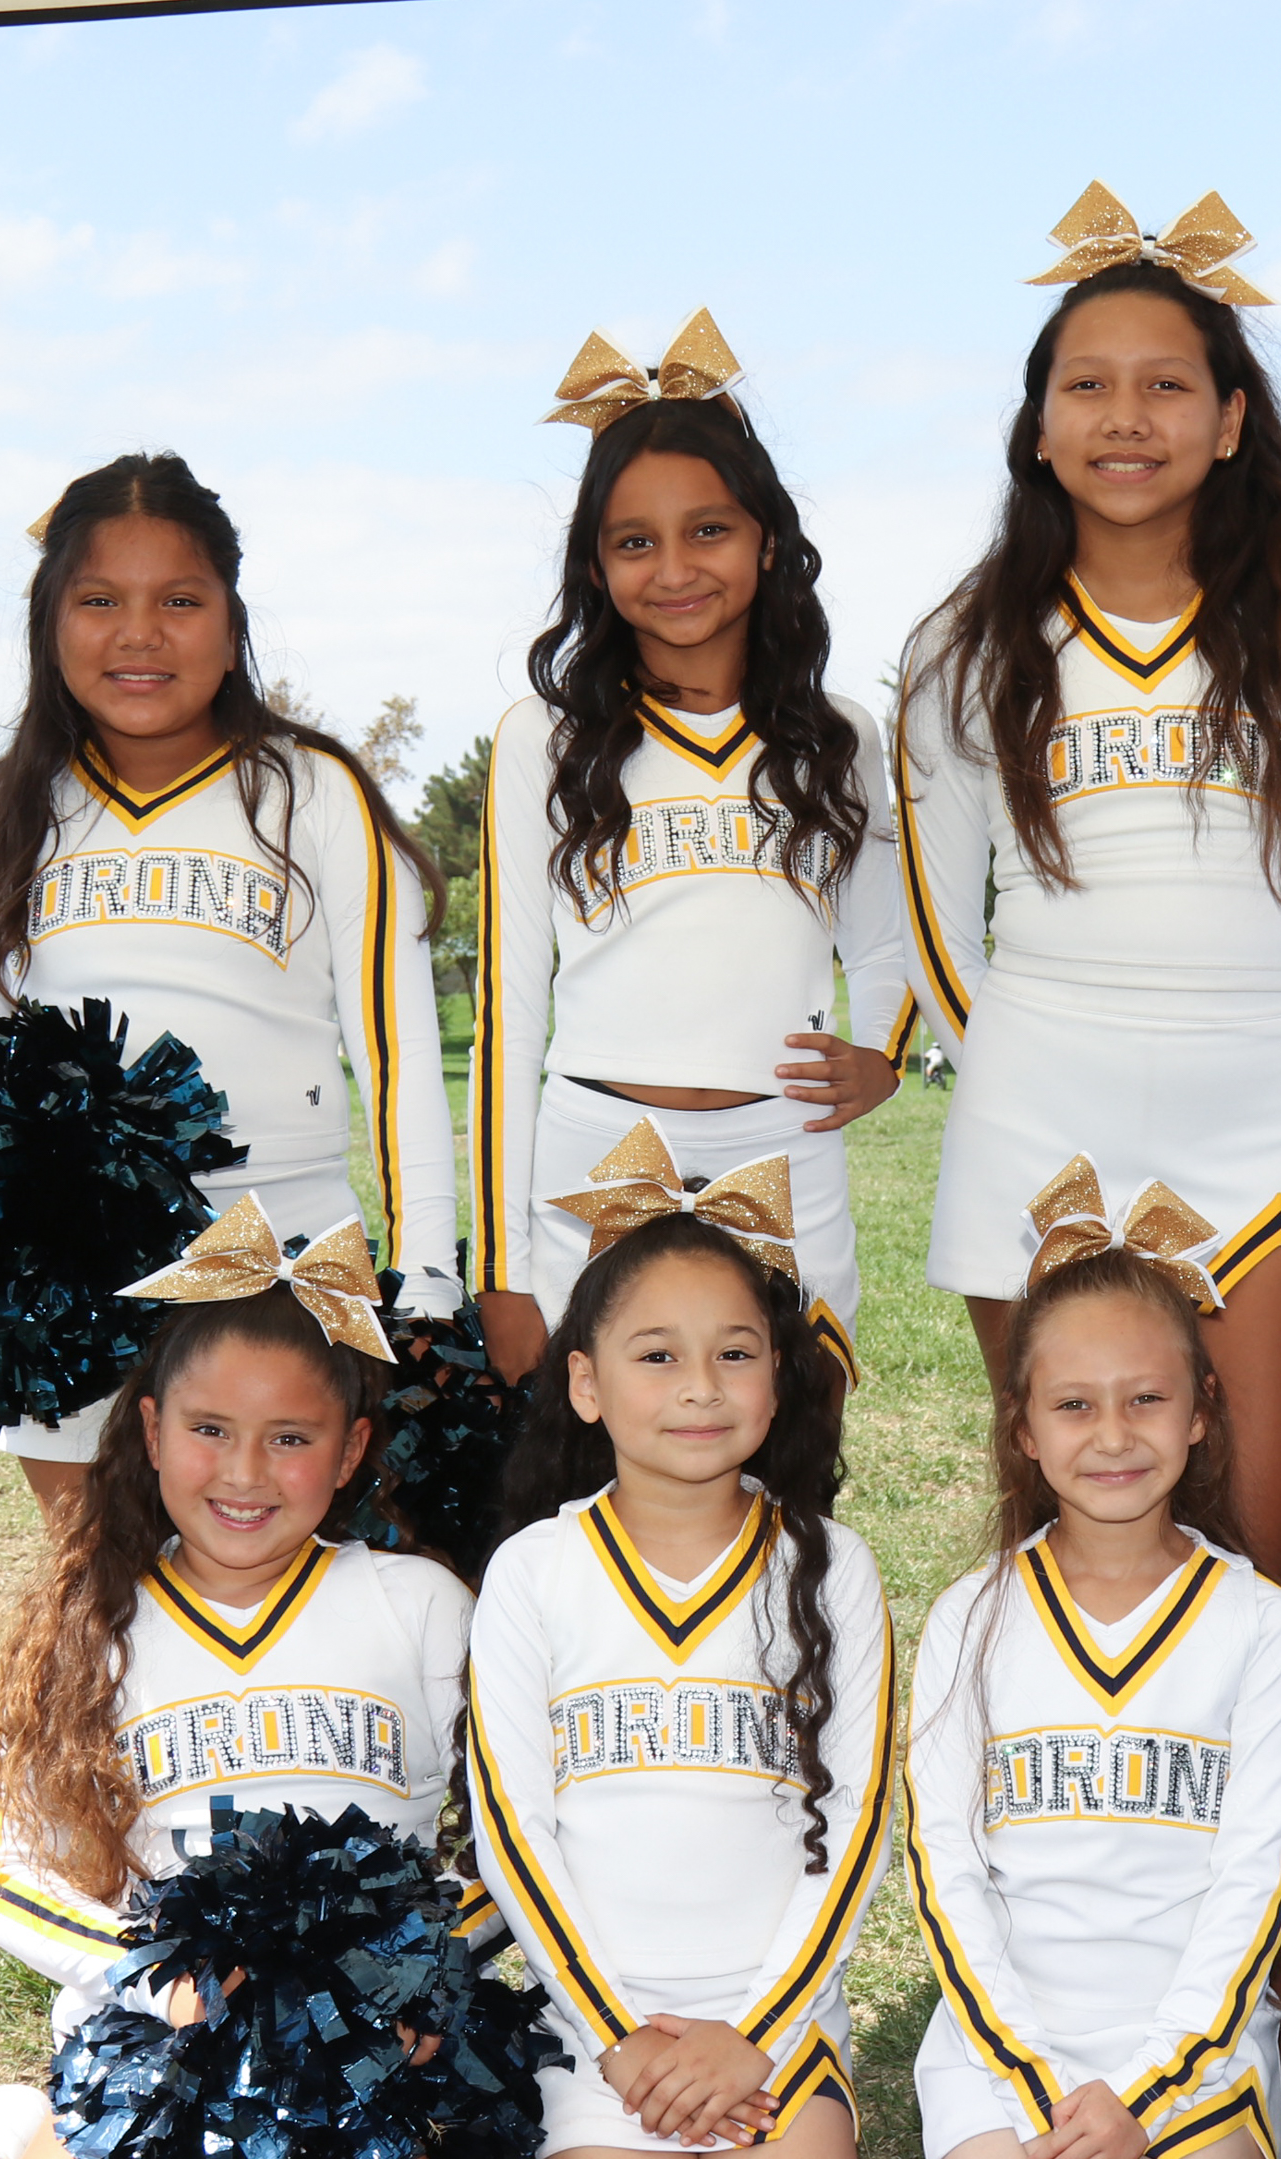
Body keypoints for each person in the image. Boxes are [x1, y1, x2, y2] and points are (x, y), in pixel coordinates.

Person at [895, 186, 1281, 1589]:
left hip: (1261, 1122)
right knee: (1079, 1547)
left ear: (1231, 418)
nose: (1126, 418)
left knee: (1249, 1565)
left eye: (1167, 385)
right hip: (1036, 1119)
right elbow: (935, 925)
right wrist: (1006, 1062)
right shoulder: (960, 643)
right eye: (1088, 386)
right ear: (1037, 423)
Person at [0, 1206, 491, 2159]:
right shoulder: (93, 1619)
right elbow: (9, 1874)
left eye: (289, 1438)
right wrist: (162, 1978)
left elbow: (505, 1846)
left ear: (350, 1450)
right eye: (210, 1430)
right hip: (160, 2041)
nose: (244, 1472)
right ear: (152, 1429)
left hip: (368, 2043)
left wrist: (403, 1976)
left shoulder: (420, 1603)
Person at [0, 452, 462, 1514]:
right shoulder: (3, 805)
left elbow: (398, 1060)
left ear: (231, 617)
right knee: (96, 1578)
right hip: (74, 1271)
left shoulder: (314, 793)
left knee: (287, 1573)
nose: (140, 634)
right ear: (49, 621)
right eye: (99, 601)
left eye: (179, 600)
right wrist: (26, 1194)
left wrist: (430, 1279)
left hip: (284, 1247)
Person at [474, 312, 910, 1392]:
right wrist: (501, 1270)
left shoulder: (839, 737)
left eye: (707, 530)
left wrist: (886, 1051)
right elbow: (508, 1008)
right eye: (635, 542)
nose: (674, 569)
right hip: (594, 1153)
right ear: (594, 565)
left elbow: (889, 941)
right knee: (590, 1460)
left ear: (766, 539)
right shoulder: (544, 740)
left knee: (788, 1442)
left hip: (785, 1157)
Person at [465, 1169, 895, 2159]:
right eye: (657, 1355)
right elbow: (513, 1830)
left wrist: (758, 2031)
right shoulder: (533, 1571)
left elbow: (861, 1820)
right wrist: (616, 2036)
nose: (700, 1386)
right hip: (599, 2035)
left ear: (779, 1376)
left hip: (778, 2032)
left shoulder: (833, 1565)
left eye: (734, 1353)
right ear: (585, 1381)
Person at [906, 1163, 1281, 2159]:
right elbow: (946, 1872)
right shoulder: (970, 1616)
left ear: (1200, 1411)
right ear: (1024, 1427)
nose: (1114, 1434)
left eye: (1147, 1398)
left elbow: (1255, 1882)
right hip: (1004, 2053)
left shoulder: (1258, 1621)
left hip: (1193, 2057)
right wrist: (1037, 2081)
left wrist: (1144, 2090)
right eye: (1074, 1404)